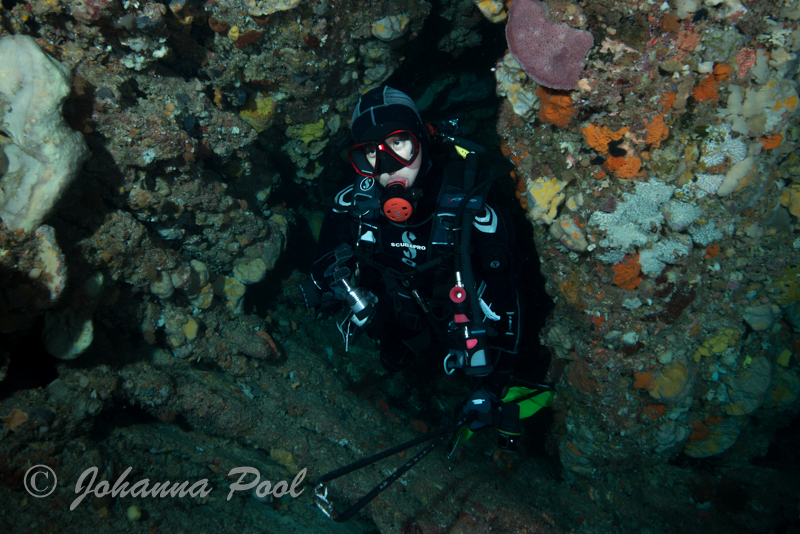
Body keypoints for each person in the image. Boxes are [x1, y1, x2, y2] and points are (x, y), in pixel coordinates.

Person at [301, 85, 522, 407]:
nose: (388, 166)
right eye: (373, 152)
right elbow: (322, 274)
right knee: (393, 362)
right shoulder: (353, 203)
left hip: (460, 327)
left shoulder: (472, 205)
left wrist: (500, 374)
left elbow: (510, 295)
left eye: (398, 143)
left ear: (423, 138)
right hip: (395, 325)